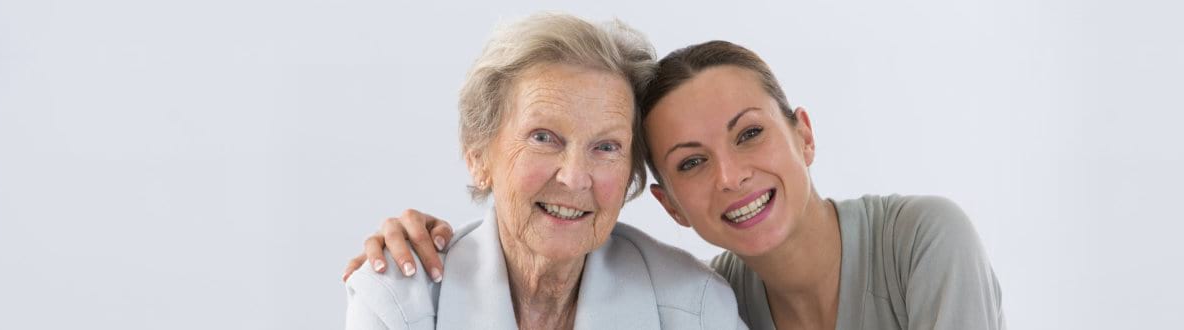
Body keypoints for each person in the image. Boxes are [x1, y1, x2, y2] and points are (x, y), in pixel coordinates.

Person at [349, 40, 1003, 329]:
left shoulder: (925, 240)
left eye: (750, 132)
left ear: (805, 133)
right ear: (669, 203)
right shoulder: (717, 295)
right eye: (690, 163)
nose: (730, 175)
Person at [341, 13, 746, 330]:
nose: (573, 176)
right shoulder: (397, 300)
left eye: (606, 147)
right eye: (543, 137)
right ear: (479, 155)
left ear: (629, 177)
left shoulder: (695, 306)